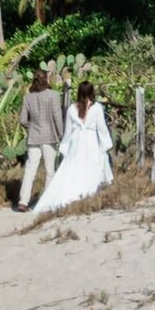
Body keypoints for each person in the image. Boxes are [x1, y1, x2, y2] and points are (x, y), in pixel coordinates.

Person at [31, 81, 114, 215]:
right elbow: (102, 128)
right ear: (92, 92)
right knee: (89, 169)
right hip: (90, 141)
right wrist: (106, 144)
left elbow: (68, 131)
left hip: (76, 143)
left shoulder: (71, 108)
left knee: (73, 169)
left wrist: (65, 147)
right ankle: (85, 196)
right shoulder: (97, 107)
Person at [16, 69, 63, 213]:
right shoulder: (53, 95)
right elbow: (57, 117)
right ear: (46, 79)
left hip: (33, 137)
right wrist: (61, 134)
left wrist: (31, 127)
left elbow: (23, 120)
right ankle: (45, 201)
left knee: (30, 170)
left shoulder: (28, 97)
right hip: (49, 137)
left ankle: (23, 201)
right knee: (50, 171)